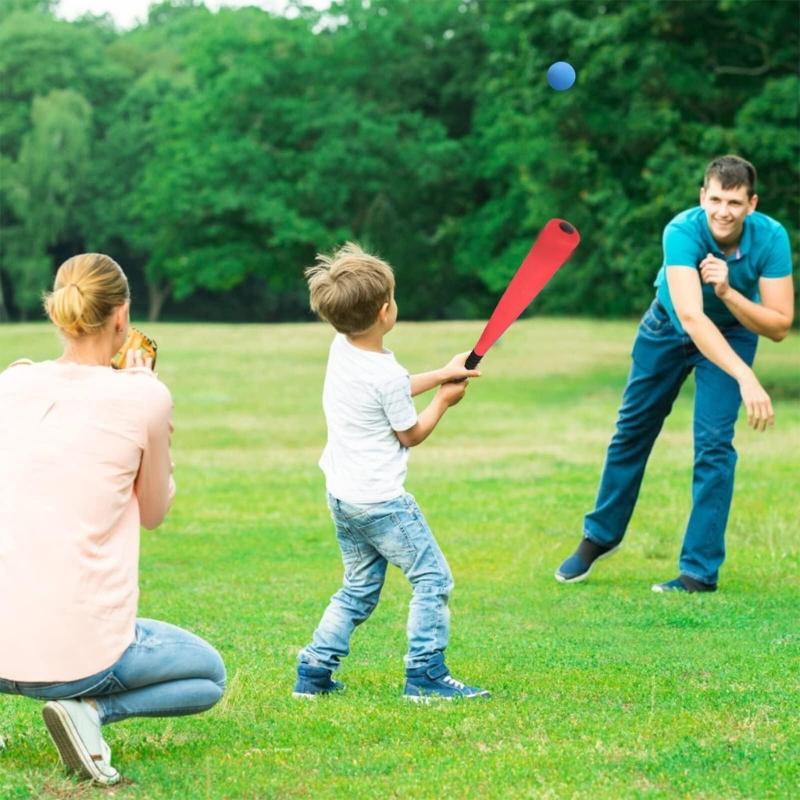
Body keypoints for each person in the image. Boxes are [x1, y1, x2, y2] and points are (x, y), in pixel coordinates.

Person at [0, 254, 226, 785]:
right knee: (208, 675)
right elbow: (154, 512)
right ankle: (89, 714)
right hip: (79, 657)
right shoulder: (144, 395)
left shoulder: (10, 384)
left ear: (58, 313)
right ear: (121, 317)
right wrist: (152, 415)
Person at [555, 155, 794, 593]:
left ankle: (698, 573)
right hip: (667, 328)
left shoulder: (771, 238)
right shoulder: (682, 230)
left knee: (714, 446)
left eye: (735, 202)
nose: (724, 211)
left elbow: (779, 324)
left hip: (732, 335)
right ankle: (599, 538)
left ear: (752, 204)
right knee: (632, 431)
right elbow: (690, 315)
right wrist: (746, 378)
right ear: (703, 196)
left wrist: (727, 291)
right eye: (716, 199)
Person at [294, 242, 490, 700]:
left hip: (343, 498)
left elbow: (394, 389)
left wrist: (442, 373)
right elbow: (410, 432)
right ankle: (425, 674)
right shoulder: (383, 373)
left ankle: (314, 670)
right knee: (433, 579)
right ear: (386, 311)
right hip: (381, 503)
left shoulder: (342, 349)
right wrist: (444, 400)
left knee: (359, 588)